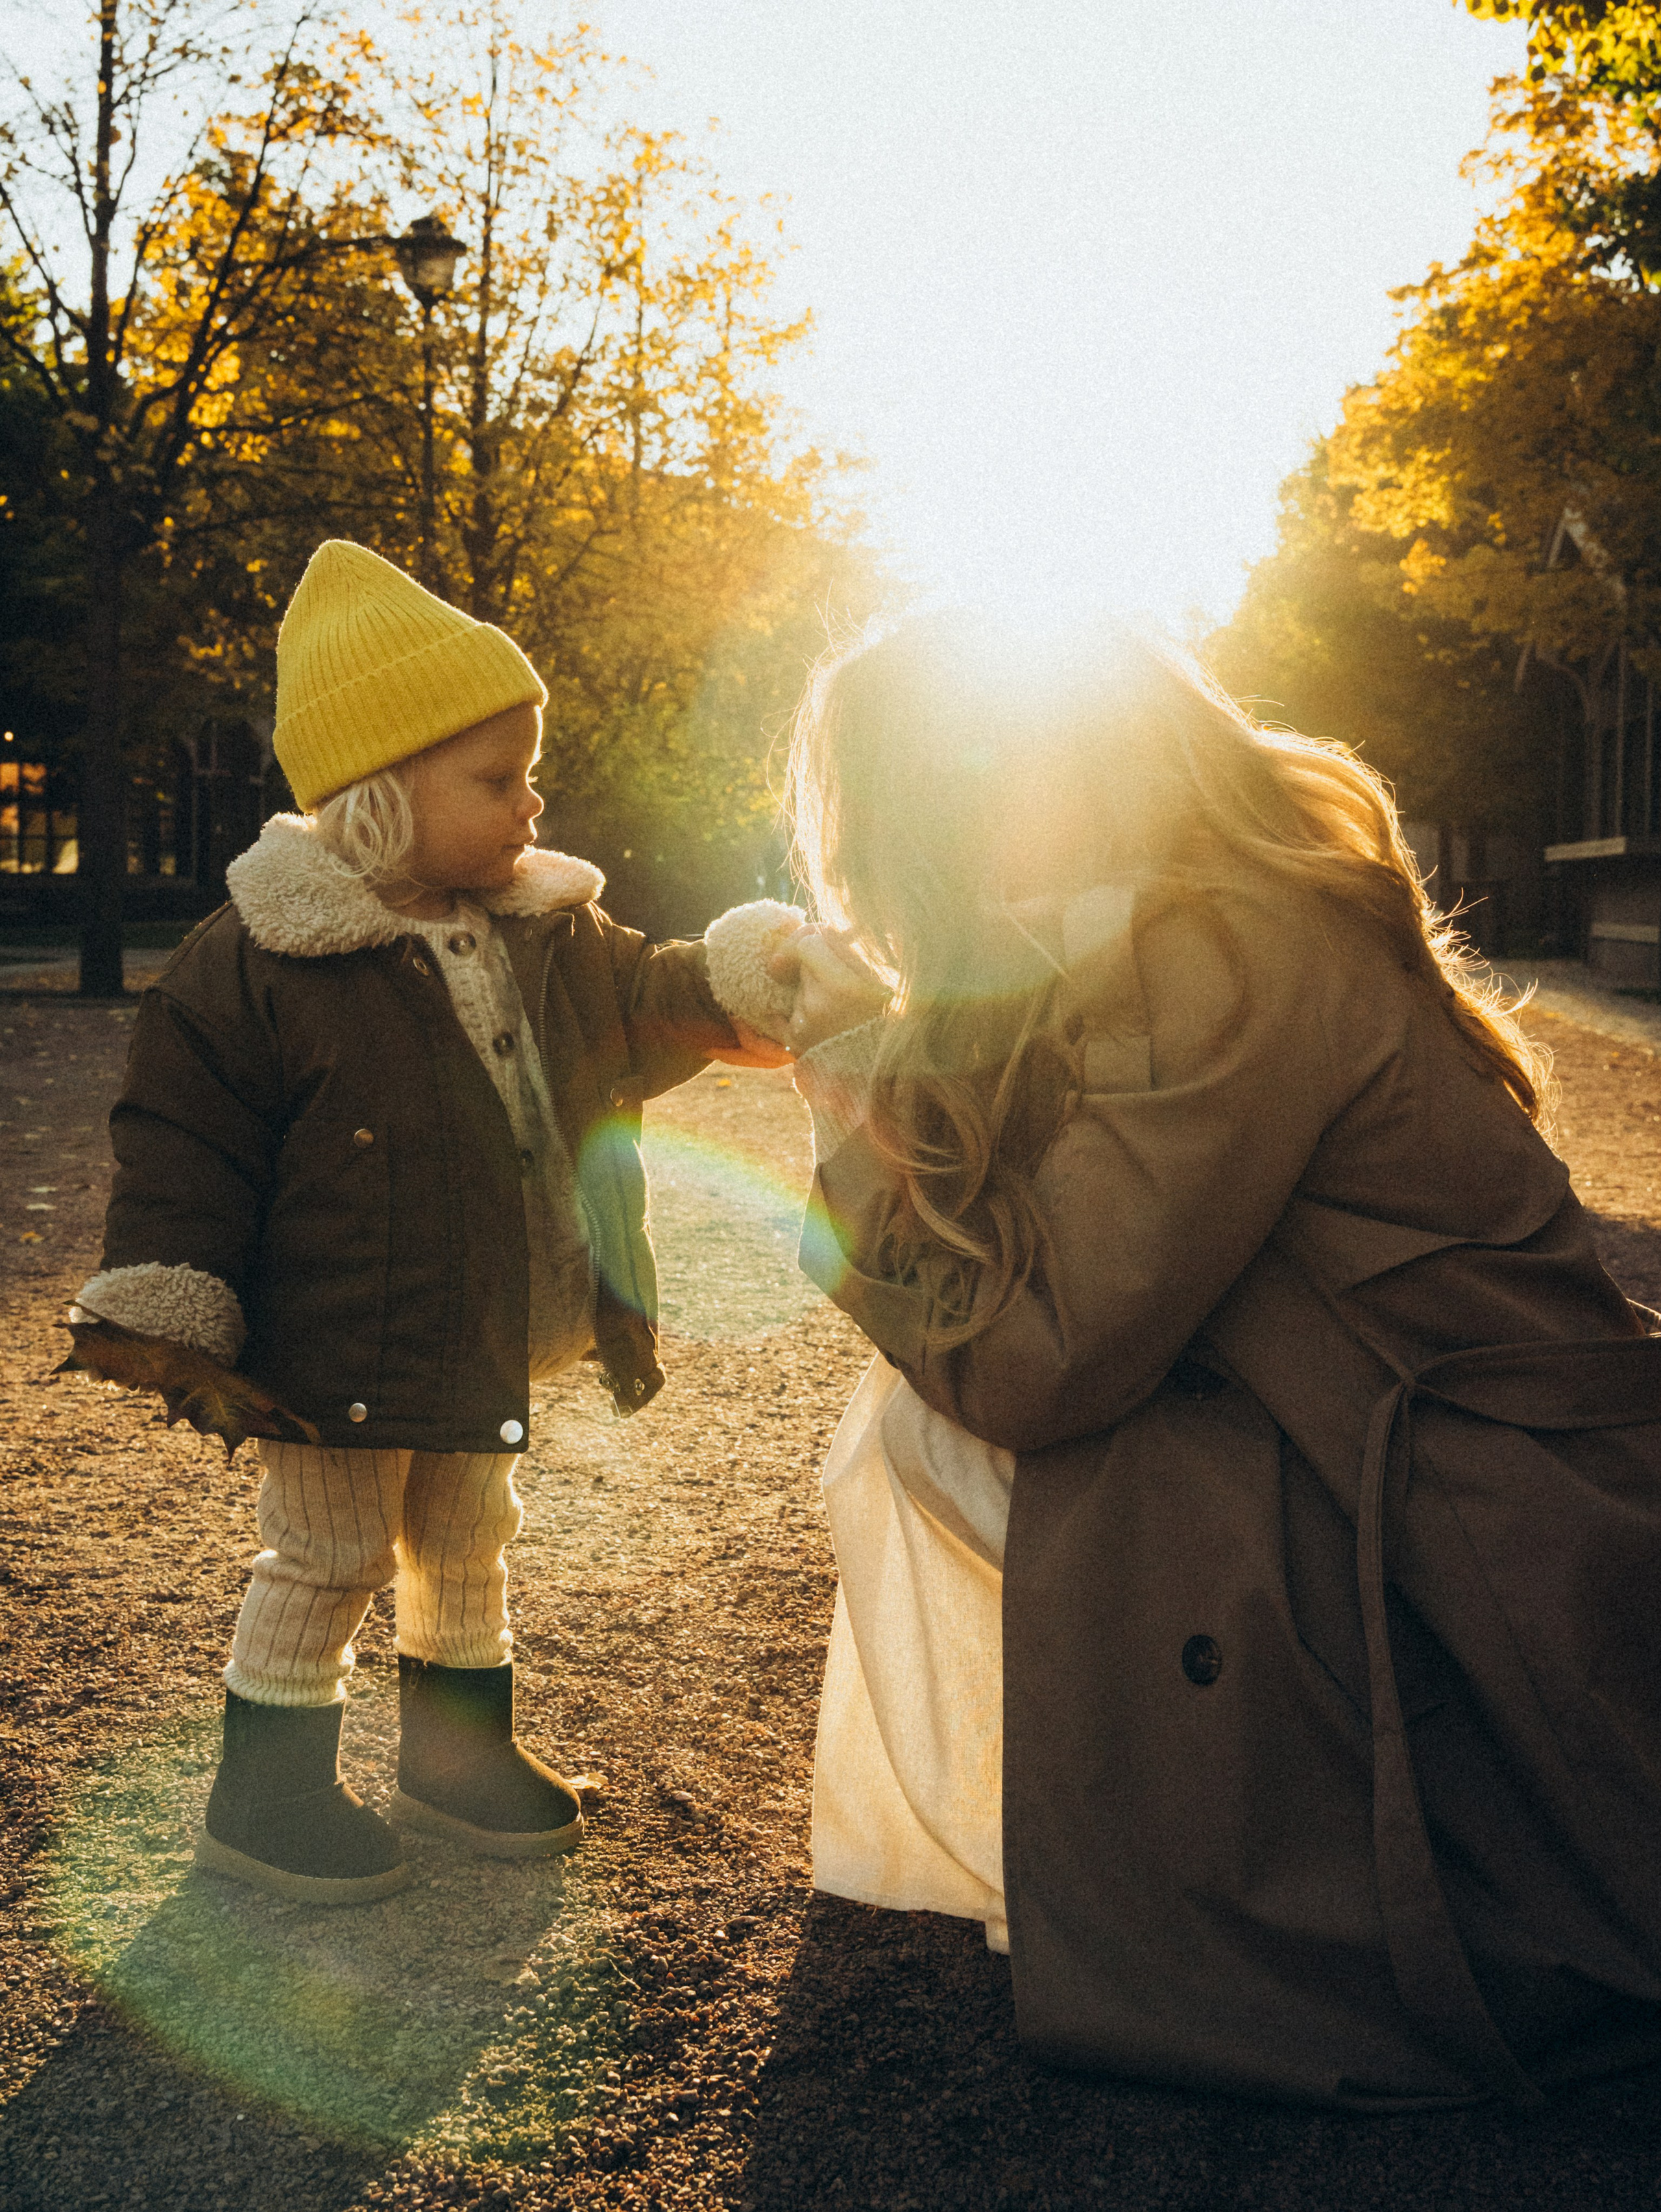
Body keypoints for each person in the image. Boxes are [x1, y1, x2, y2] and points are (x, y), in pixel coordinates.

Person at [766, 612, 1661, 2108]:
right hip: (1455, 1491)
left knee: (968, 1422)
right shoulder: (1195, 915)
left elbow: (1037, 1354)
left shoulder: (1218, 950)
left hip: (1483, 1557)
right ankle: (1142, 1837)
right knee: (941, 1405)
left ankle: (1199, 1860)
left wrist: (855, 1114)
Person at [69, 540, 797, 1906]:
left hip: (483, 1325)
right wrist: (173, 1293)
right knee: (329, 1552)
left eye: (529, 774)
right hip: (333, 1337)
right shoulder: (261, 960)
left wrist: (753, 973)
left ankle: (457, 1759)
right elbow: (185, 1139)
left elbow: (648, 994)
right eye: (496, 778)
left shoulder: (545, 932)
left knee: (468, 1536)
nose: (532, 802)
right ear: (384, 792)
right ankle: (267, 1791)